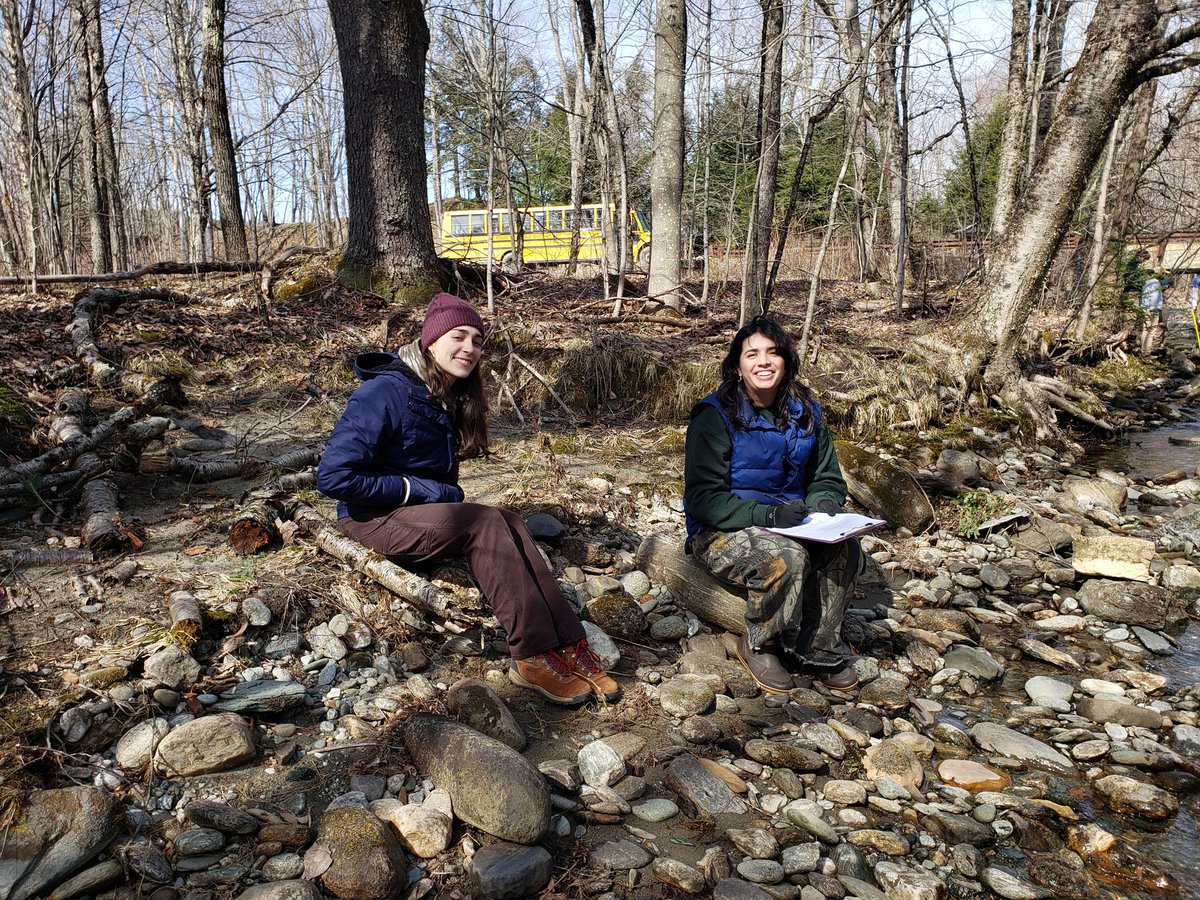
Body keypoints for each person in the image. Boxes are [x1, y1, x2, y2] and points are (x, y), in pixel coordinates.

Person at [316, 292, 619, 706]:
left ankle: (567, 644)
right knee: (483, 522)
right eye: (459, 336)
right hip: (370, 519)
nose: (470, 348)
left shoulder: (443, 394)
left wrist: (435, 494)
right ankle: (530, 656)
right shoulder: (384, 393)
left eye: (478, 340)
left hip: (413, 515)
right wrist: (417, 490)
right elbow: (334, 476)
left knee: (506, 517)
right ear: (430, 342)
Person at [683, 316, 861, 695]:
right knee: (787, 557)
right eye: (752, 354)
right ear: (738, 366)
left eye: (773, 352)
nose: (763, 362)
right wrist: (765, 515)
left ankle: (818, 647)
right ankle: (761, 641)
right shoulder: (713, 417)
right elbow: (702, 499)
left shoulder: (807, 412)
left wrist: (825, 502)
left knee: (844, 547)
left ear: (786, 361)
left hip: (792, 520)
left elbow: (825, 476)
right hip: (721, 530)